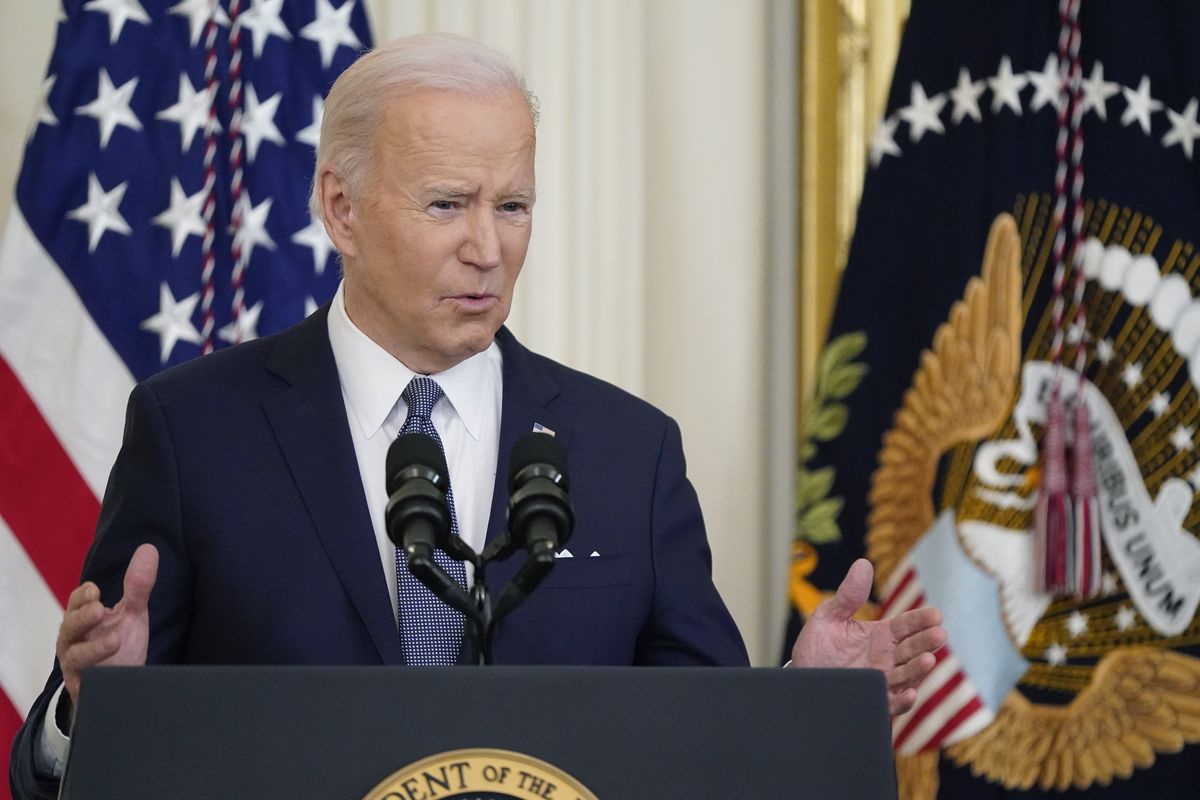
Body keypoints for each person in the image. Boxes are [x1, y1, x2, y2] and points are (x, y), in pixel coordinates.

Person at [9, 33, 944, 799]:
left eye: (514, 206)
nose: (488, 249)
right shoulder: (194, 434)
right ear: (341, 208)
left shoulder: (627, 452)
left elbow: (701, 751)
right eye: (448, 204)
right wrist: (94, 710)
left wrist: (804, 704)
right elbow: (53, 773)